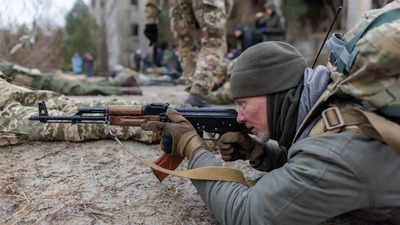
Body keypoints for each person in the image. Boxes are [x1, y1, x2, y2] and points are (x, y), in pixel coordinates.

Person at [141, 41, 400, 225]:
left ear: (277, 96)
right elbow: (307, 161)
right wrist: (261, 152)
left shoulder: (334, 153)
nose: (239, 116)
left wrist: (191, 147)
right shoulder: (330, 103)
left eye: (242, 104)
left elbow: (247, 214)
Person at [0, 71, 155, 147]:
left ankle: (154, 115)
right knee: (73, 123)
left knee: (74, 107)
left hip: (5, 88)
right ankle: (155, 128)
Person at [144, 0, 233, 107]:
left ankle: (194, 91)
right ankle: (198, 93)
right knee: (213, 42)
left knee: (186, 44)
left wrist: (151, 19)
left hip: (178, 4)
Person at [0, 60, 142, 96]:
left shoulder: (5, 68)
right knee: (85, 86)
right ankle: (125, 87)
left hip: (45, 83)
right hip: (44, 82)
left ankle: (125, 88)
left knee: (84, 87)